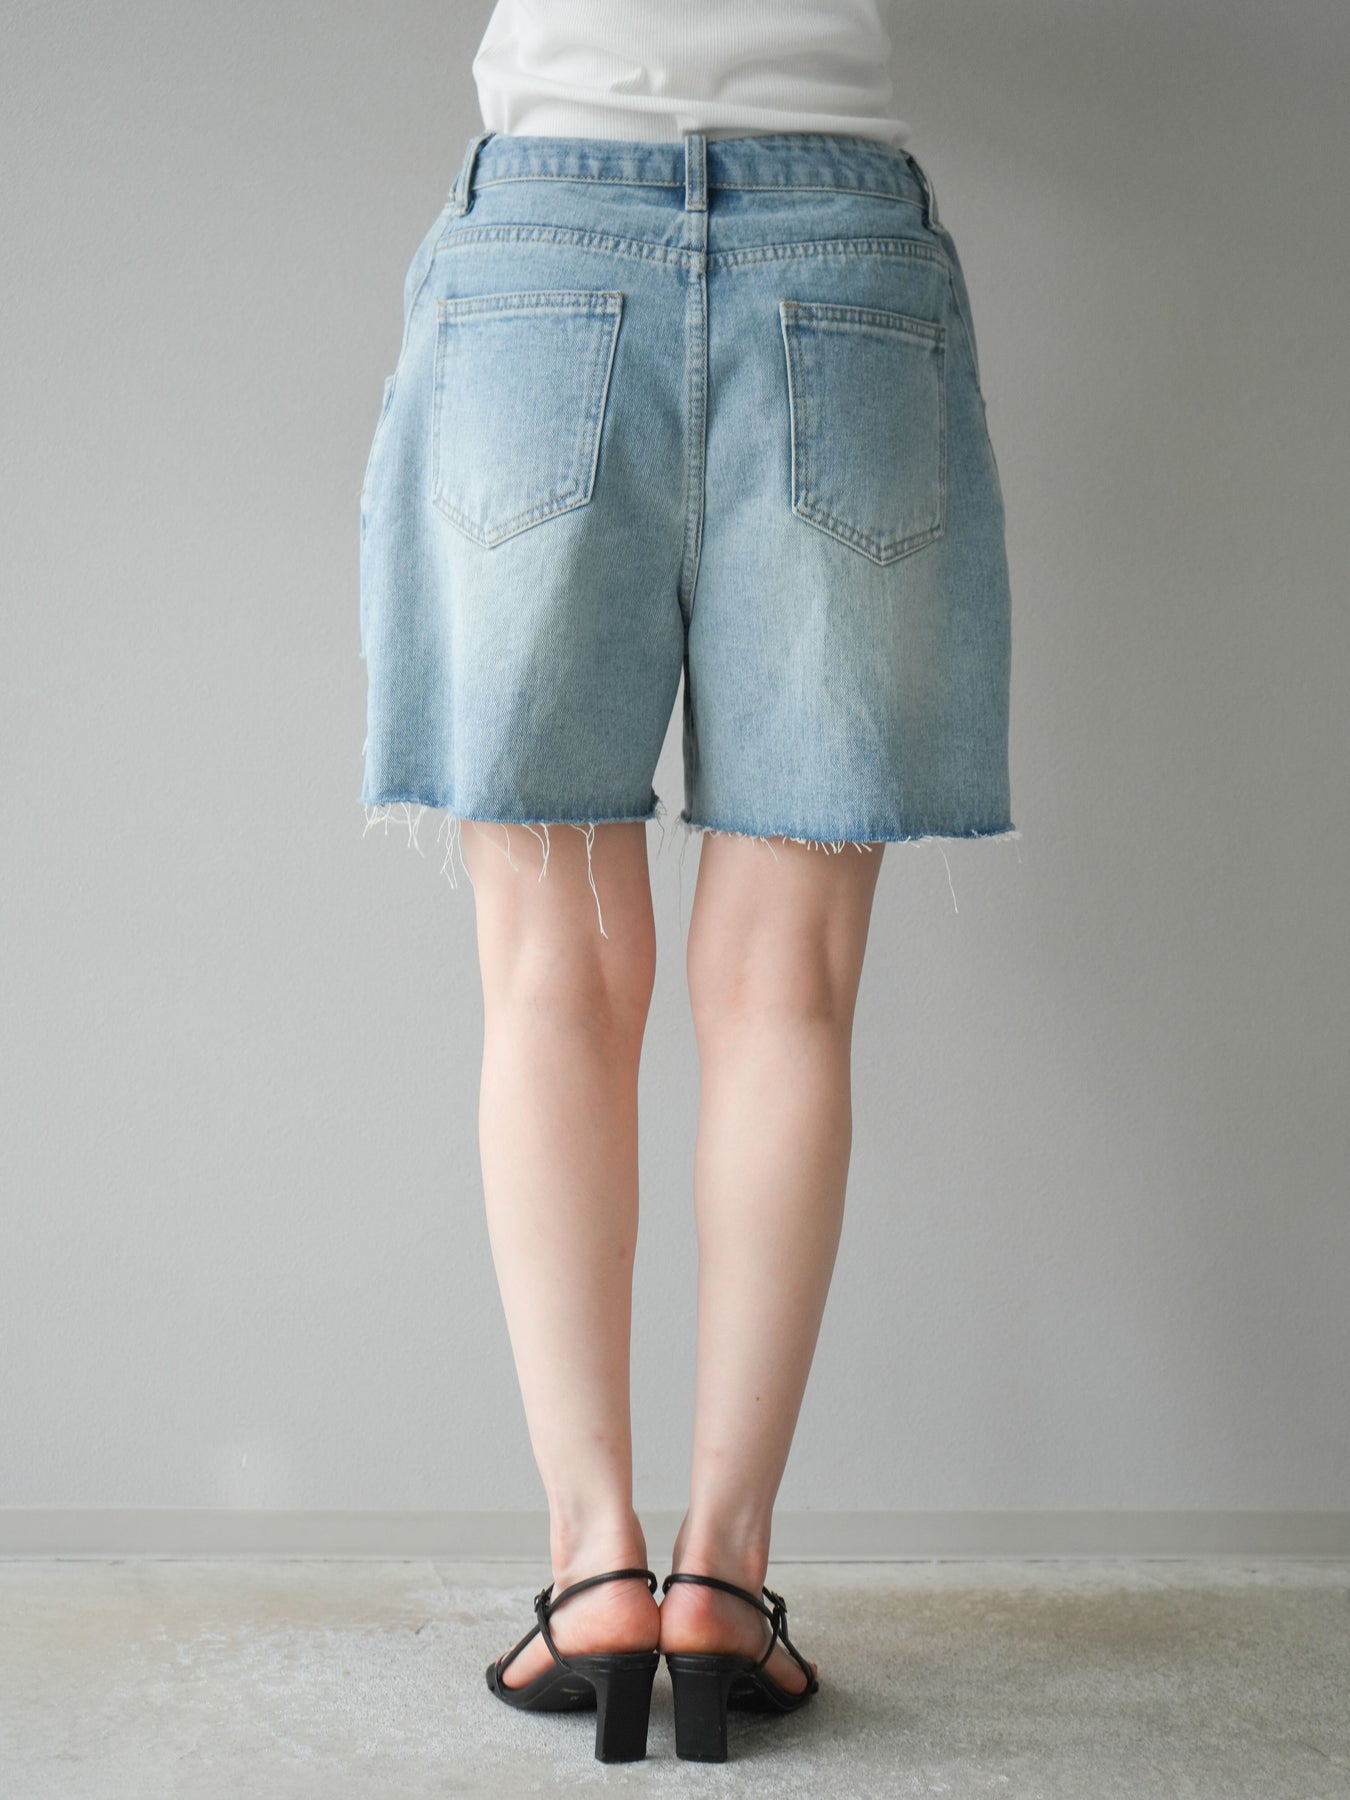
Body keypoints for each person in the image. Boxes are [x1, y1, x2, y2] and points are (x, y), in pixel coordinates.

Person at [358, 0, 1015, 1764]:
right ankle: (720, 1578)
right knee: (784, 989)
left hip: (544, 255)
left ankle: (594, 1572)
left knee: (549, 979)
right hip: (842, 267)